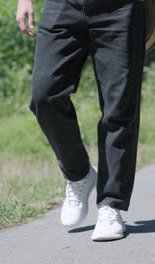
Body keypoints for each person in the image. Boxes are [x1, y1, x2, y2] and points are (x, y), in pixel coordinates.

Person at [16, 0, 146, 241]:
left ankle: (111, 205)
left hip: (121, 8)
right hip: (63, 5)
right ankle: (79, 174)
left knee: (118, 107)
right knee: (44, 94)